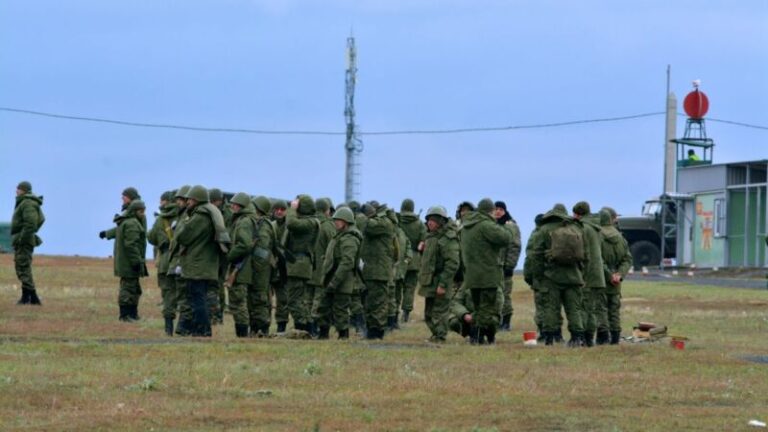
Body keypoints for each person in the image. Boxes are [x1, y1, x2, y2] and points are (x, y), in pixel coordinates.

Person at [528, 203, 588, 347]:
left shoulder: (543, 230)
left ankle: (549, 338)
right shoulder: (576, 228)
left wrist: (538, 276)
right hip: (573, 276)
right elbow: (586, 255)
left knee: (551, 308)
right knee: (574, 309)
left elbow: (535, 256)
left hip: (551, 276)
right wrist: (582, 273)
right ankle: (577, 337)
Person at [459, 198, 512, 344]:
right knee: (488, 309)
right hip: (488, 274)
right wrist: (506, 226)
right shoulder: (486, 225)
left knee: (477, 308)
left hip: (471, 275)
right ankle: (478, 337)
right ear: (491, 210)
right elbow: (506, 238)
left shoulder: (466, 226)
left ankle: (478, 336)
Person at [174, 185, 224, 337]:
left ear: (195, 199)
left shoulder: (200, 216)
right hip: (205, 264)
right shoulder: (210, 212)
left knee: (197, 298)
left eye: (189, 199)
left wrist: (182, 221)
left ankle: (203, 330)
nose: (187, 202)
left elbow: (182, 236)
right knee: (199, 297)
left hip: (197, 264)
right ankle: (198, 329)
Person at [317, 207, 363, 339]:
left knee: (340, 310)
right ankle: (323, 334)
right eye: (335, 220)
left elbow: (347, 262)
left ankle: (343, 336)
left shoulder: (350, 238)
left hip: (342, 281)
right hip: (332, 278)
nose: (336, 222)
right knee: (324, 307)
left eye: (339, 220)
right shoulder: (339, 235)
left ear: (346, 221)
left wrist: (335, 282)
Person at [418, 206, 460, 343]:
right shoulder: (431, 236)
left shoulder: (448, 238)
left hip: (440, 281)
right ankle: (436, 335)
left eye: (433, 220)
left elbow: (452, 263)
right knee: (429, 313)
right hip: (429, 281)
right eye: (429, 220)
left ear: (440, 221)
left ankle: (440, 337)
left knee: (439, 312)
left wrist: (443, 284)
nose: (430, 223)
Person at [360, 201, 396, 339]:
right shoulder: (380, 221)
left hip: (379, 271)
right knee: (370, 303)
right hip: (372, 270)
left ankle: (377, 332)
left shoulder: (385, 222)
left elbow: (369, 226)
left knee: (378, 303)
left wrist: (362, 216)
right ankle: (372, 330)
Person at [284, 195, 319, 332]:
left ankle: (303, 327)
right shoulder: (309, 221)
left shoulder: (310, 222)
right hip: (298, 264)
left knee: (293, 301)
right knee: (299, 300)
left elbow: (291, 223)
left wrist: (292, 209)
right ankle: (308, 327)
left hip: (300, 265)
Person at [572, 201, 606, 347]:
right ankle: (590, 338)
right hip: (598, 274)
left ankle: (584, 339)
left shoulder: (583, 228)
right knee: (591, 309)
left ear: (577, 213)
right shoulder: (596, 227)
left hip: (587, 273)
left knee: (584, 308)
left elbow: (582, 253)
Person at [225, 192, 259, 337]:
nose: (232, 206)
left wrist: (229, 257)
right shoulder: (245, 219)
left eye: (235, 204)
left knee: (238, 303)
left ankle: (242, 335)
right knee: (239, 303)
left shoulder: (244, 221)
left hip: (240, 267)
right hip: (242, 266)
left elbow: (244, 245)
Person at [109, 199, 148, 321]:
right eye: (141, 211)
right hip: (129, 263)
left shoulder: (129, 222)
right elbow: (131, 245)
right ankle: (125, 315)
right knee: (128, 289)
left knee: (134, 289)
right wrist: (136, 261)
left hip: (127, 262)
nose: (143, 214)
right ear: (134, 211)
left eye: (143, 211)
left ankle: (132, 314)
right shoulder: (132, 224)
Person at [599, 208, 633, 345]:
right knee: (614, 309)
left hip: (601, 278)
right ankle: (615, 338)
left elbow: (597, 259)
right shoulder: (620, 237)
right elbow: (627, 259)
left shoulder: (597, 236)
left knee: (600, 308)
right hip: (616, 280)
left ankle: (602, 338)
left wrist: (608, 274)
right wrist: (619, 274)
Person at [147, 190, 178, 335]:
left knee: (168, 295)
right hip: (182, 261)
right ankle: (185, 328)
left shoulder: (161, 219)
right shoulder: (185, 216)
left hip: (165, 262)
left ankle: (169, 329)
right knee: (185, 295)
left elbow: (152, 238)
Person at [12, 181, 44, 305]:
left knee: (23, 267)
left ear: (24, 190)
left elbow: (30, 224)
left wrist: (22, 238)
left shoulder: (27, 203)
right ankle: (26, 297)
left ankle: (33, 298)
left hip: (24, 241)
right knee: (21, 266)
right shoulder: (26, 202)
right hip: (24, 239)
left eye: (18, 189)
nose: (16, 191)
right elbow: (40, 219)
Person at [494, 201, 522, 331]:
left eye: (500, 209)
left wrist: (509, 266)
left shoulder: (511, 225)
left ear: (505, 211)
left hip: (505, 267)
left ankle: (506, 322)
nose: (498, 211)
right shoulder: (491, 225)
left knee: (505, 295)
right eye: (495, 209)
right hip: (493, 267)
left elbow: (515, 247)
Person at [397, 198, 426, 323]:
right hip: (414, 260)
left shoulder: (397, 220)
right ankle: (406, 313)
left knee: (397, 287)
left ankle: (393, 313)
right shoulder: (419, 223)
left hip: (399, 258)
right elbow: (423, 240)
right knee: (409, 288)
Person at [270, 199, 290, 333]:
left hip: (285, 268)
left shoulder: (290, 226)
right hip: (271, 267)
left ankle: (281, 327)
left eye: (282, 209)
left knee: (283, 299)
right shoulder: (271, 226)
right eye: (277, 209)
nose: (279, 211)